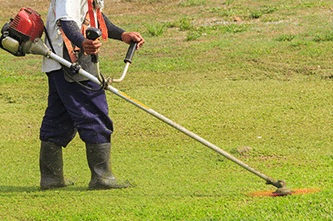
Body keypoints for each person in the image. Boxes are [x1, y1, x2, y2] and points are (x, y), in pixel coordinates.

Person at [40, 0, 145, 190]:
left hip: (60, 63)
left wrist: (122, 35)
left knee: (58, 119)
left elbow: (94, 17)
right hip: (71, 61)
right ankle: (102, 178)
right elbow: (67, 21)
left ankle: (51, 178)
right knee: (95, 113)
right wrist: (82, 42)